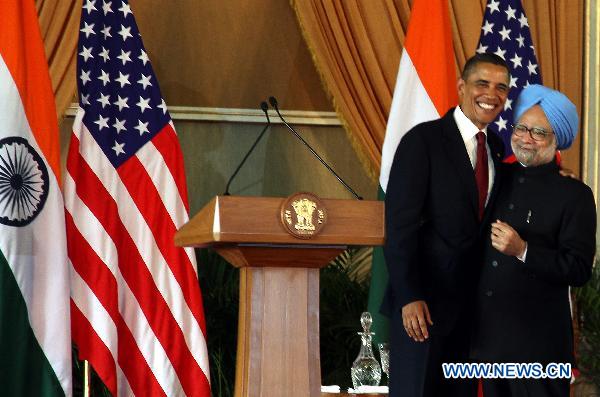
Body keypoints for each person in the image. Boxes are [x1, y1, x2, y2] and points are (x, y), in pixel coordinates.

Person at [382, 53, 510, 397]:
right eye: (482, 83)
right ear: (461, 87)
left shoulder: (496, 147)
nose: (492, 94)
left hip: (470, 313)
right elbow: (400, 226)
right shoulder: (422, 142)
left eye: (501, 87)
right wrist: (410, 296)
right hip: (423, 309)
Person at [471, 84, 596, 396]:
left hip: (539, 350)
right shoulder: (496, 178)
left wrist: (523, 250)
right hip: (487, 344)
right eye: (522, 127)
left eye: (538, 132)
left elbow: (578, 269)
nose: (525, 138)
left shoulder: (575, 195)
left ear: (556, 141)